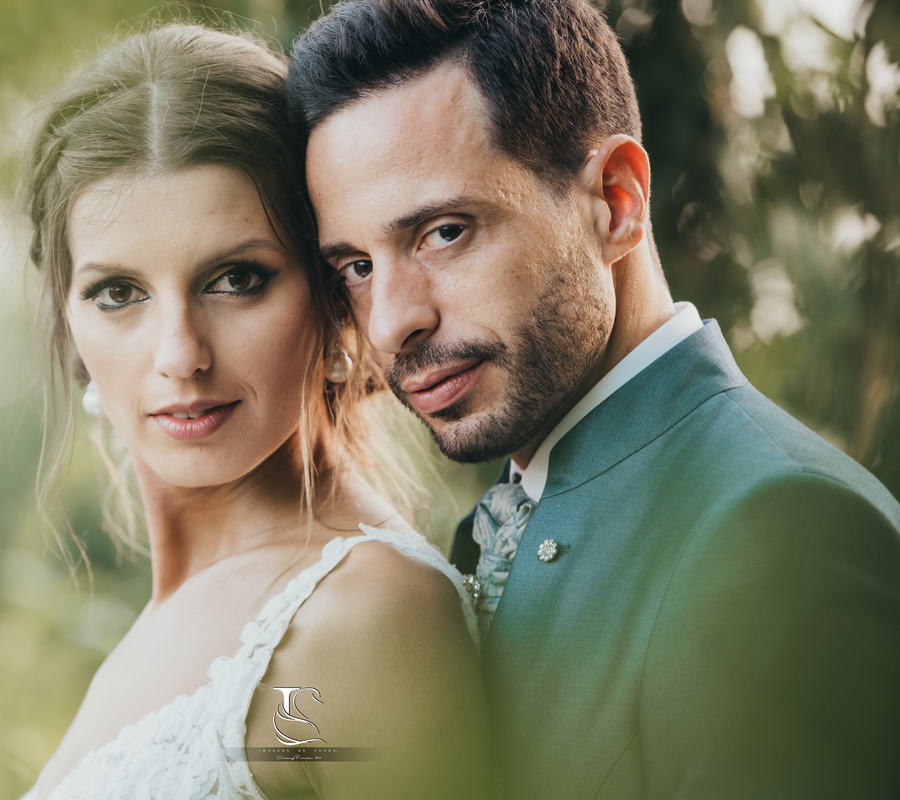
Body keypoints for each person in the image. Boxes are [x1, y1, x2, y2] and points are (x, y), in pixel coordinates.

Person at [287, 0, 900, 798]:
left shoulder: (777, 531)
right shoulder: (497, 524)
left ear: (617, 200)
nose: (392, 322)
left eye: (444, 232)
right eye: (356, 268)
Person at [19, 23, 491, 800]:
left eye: (236, 279)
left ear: (331, 297)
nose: (180, 354)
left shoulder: (363, 618)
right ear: (68, 322)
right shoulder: (157, 628)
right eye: (118, 293)